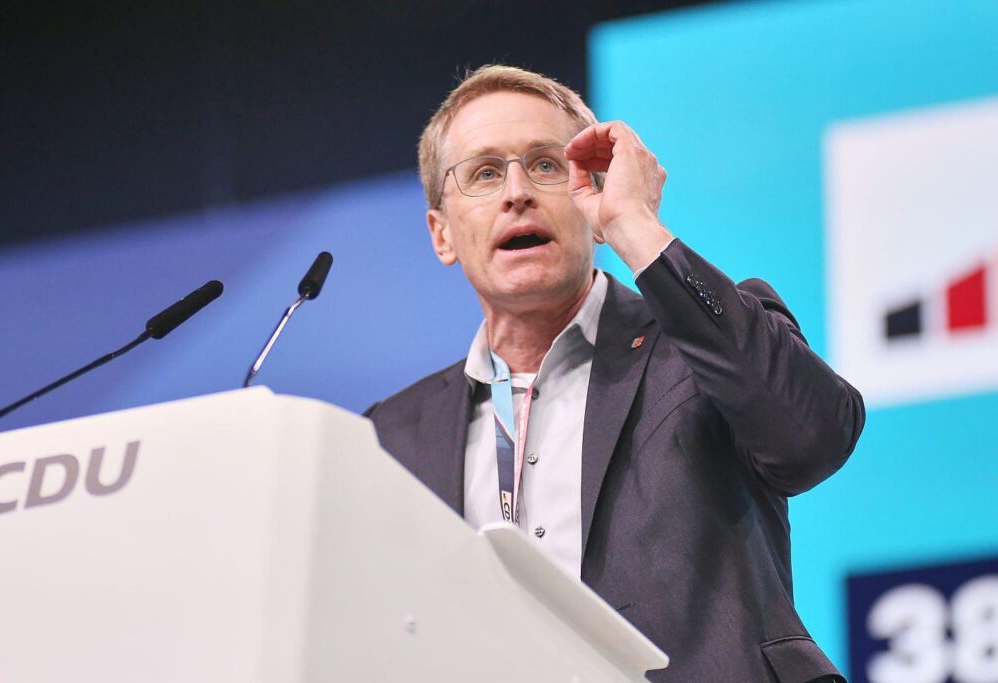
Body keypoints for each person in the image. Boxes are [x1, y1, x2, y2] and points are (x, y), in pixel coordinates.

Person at [366, 65, 864, 682]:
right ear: (441, 234)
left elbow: (814, 438)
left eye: (547, 165)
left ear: (594, 196)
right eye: (485, 173)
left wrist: (635, 226)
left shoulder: (701, 346)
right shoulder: (390, 438)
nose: (517, 192)